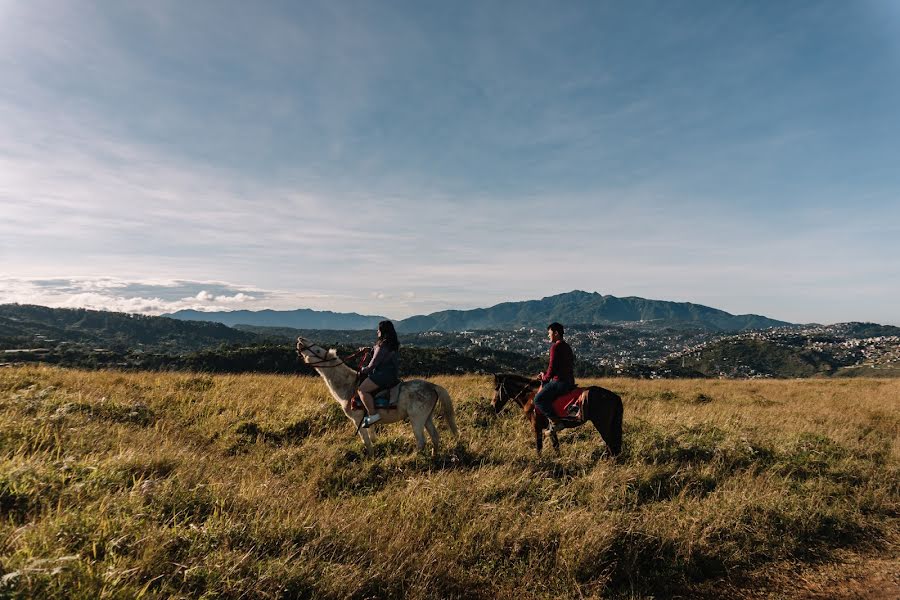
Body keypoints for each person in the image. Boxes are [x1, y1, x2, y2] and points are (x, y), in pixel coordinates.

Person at [357, 320, 401, 428]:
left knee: (361, 390)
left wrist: (362, 370)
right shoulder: (392, 344)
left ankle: (373, 415)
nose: (377, 331)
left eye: (378, 329)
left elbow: (373, 364)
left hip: (382, 375)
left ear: (382, 331)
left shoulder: (383, 345)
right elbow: (379, 353)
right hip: (392, 375)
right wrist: (370, 349)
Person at [533, 322, 575, 431]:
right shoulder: (566, 346)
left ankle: (555, 422)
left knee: (538, 399)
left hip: (560, 382)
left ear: (556, 333)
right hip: (569, 381)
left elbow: (552, 368)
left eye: (549, 333)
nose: (548, 335)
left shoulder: (555, 347)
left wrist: (544, 378)